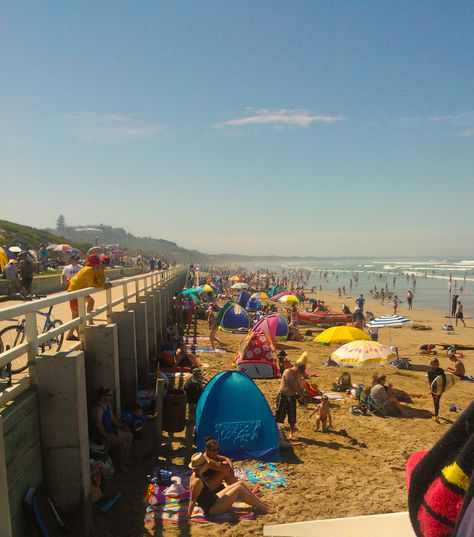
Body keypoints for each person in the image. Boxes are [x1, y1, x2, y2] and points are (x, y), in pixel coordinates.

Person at [187, 452, 273, 518]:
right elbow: (193, 500)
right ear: (203, 466)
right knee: (239, 488)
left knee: (239, 483)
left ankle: (262, 504)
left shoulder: (196, 473)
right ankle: (264, 509)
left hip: (213, 499)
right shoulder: (197, 481)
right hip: (212, 509)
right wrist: (188, 516)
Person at [66, 254, 112, 340]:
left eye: (106, 264)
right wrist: (103, 285)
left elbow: (100, 280)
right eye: (102, 263)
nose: (103, 265)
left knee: (89, 302)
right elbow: (92, 284)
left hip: (80, 291)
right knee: (76, 315)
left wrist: (102, 275)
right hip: (74, 291)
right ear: (96, 263)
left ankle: (71, 334)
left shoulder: (97, 269)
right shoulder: (89, 270)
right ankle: (79, 335)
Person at [90, 386, 133, 467]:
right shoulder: (98, 408)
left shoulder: (107, 405)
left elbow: (113, 420)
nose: (111, 397)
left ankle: (124, 460)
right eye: (109, 395)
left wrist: (122, 426)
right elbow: (98, 424)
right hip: (101, 437)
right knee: (126, 440)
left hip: (110, 432)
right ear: (103, 396)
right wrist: (105, 435)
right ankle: (123, 463)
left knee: (127, 438)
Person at [274, 362, 306, 439]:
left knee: (292, 416)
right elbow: (292, 385)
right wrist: (300, 394)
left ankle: (291, 433)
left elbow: (300, 386)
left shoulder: (298, 374)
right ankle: (273, 430)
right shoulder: (288, 371)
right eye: (299, 371)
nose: (299, 373)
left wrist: (302, 395)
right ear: (297, 368)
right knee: (279, 414)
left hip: (292, 397)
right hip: (283, 395)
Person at [427, 358, 446, 423]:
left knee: (437, 401)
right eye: (433, 364)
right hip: (433, 388)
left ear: (438, 364)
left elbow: (444, 380)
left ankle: (436, 415)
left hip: (440, 388)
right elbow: (430, 381)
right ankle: (436, 411)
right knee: (434, 401)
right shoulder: (429, 371)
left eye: (436, 363)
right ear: (431, 364)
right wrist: (431, 389)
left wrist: (443, 388)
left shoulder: (441, 370)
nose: (435, 365)